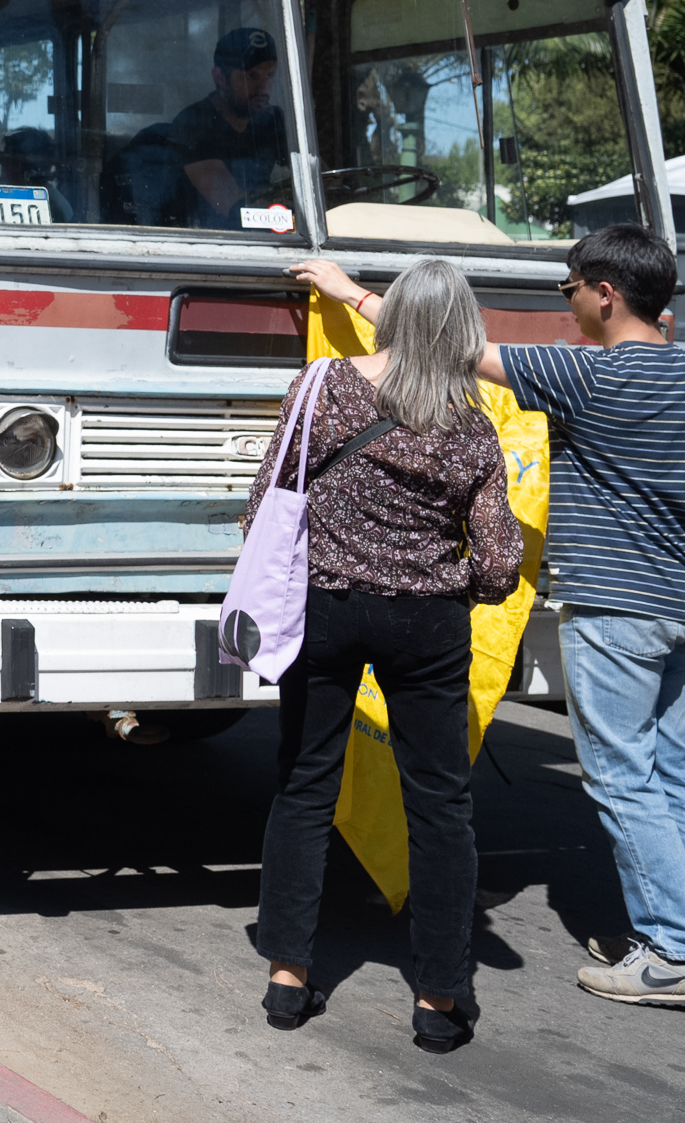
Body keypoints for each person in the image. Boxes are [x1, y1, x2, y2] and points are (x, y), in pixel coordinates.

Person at [297, 225, 685, 1008]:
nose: (566, 307)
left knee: (621, 775)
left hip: (617, 604)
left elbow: (453, 350)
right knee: (678, 774)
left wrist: (350, 292)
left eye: (569, 290)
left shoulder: (587, 377)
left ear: (607, 293)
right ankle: (683, 935)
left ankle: (675, 952)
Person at [248, 257, 521, 1052]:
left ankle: (288, 978)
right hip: (428, 625)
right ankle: (440, 996)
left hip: (324, 612)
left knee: (304, 785)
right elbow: (501, 563)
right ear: (463, 331)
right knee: (440, 805)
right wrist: (452, 583)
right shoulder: (471, 424)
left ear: (391, 314)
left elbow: (269, 497)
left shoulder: (323, 386)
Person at [137, 26, 286, 229]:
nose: (263, 88)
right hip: (200, 241)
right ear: (220, 77)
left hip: (262, 232)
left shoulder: (273, 120)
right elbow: (235, 209)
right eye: (250, 76)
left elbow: (323, 181)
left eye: (269, 75)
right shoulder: (193, 124)